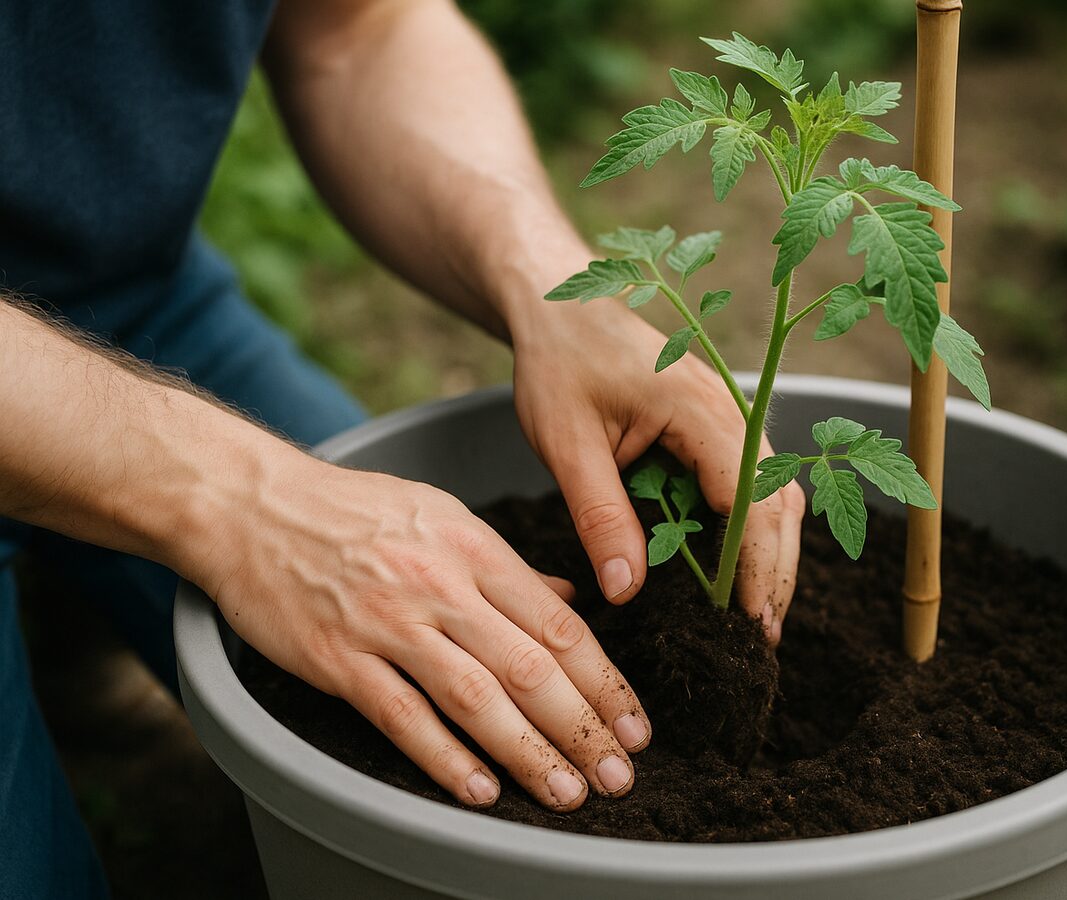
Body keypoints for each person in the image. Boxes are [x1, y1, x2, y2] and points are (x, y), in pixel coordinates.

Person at [0, 1, 805, 895]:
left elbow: (358, 33)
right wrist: (240, 498)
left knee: (413, 642)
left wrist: (553, 286)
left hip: (124, 297)